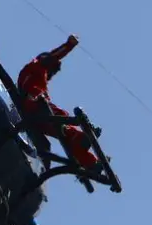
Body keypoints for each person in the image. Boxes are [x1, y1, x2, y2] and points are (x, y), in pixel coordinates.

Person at [15, 35, 98, 168]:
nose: (51, 76)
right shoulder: (37, 66)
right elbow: (55, 56)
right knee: (60, 116)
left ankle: (90, 161)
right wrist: (69, 45)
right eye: (53, 71)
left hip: (37, 115)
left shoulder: (38, 75)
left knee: (64, 138)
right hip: (35, 104)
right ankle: (77, 137)